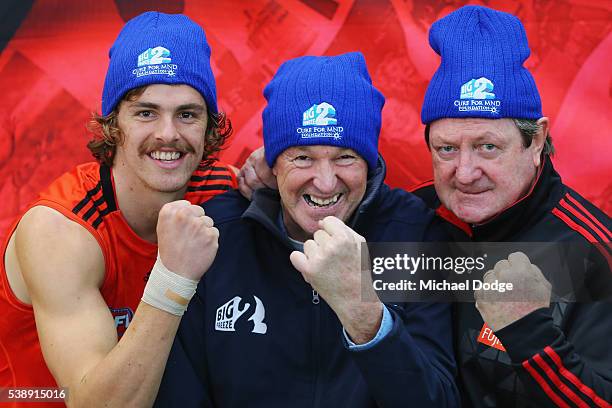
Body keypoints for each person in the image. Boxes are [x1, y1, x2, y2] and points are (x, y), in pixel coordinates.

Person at [155, 52, 459, 407]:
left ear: (369, 160)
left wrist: (366, 319)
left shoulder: (417, 235)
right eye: (303, 157)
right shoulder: (215, 236)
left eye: (345, 156)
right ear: (271, 162)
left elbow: (439, 401)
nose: (326, 183)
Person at [0, 12, 236, 407]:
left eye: (187, 114)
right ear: (114, 125)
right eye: (146, 112)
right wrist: (172, 278)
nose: (168, 134)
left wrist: (280, 167)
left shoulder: (223, 190)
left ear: (209, 126)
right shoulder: (59, 229)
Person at [412, 5, 612, 407]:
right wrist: (273, 185)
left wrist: (529, 333)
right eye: (447, 149)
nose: (465, 173)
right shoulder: (416, 217)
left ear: (536, 141)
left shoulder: (592, 254)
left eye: (488, 147)